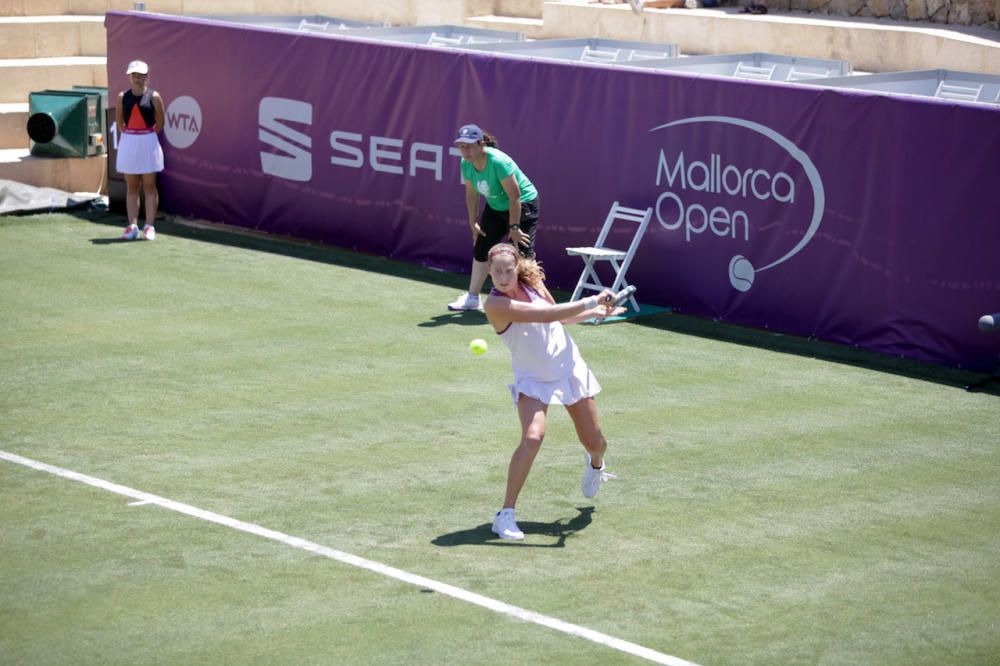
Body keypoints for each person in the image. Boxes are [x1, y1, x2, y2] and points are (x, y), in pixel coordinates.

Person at [483, 243, 623, 540]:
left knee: (595, 442)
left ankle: (596, 463)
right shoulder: (494, 305)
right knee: (532, 437)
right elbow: (545, 315)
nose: (505, 277)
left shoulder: (532, 282)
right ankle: (505, 514)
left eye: (509, 270)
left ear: (517, 267)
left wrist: (596, 311)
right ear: (489, 272)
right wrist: (591, 300)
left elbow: (558, 316)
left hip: (569, 368)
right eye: (498, 272)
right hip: (533, 379)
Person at [448, 124, 540, 312]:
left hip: (524, 205)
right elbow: (471, 193)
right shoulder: (466, 163)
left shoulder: (498, 162)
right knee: (482, 247)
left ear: (481, 144)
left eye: (469, 145)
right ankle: (473, 298)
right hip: (495, 206)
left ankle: (533, 303)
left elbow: (515, 197)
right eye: (461, 145)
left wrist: (514, 228)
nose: (464, 150)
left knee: (523, 255)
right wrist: (473, 222)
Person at [116, 59, 165, 241]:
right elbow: (120, 123)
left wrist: (145, 134)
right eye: (134, 75)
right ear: (130, 77)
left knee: (150, 186)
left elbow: (160, 123)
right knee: (132, 187)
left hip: (148, 143)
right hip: (129, 142)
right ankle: (132, 227)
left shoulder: (154, 97)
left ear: (147, 76)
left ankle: (149, 227)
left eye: (140, 75)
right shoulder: (122, 97)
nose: (137, 79)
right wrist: (134, 134)